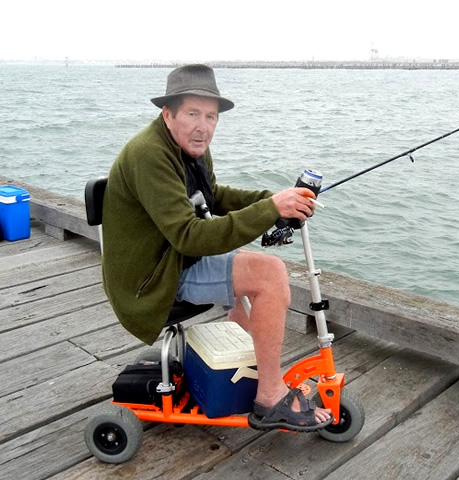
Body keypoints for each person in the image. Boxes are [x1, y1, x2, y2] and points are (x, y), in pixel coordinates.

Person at [102, 64, 332, 431]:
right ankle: (270, 397)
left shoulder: (188, 147)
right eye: (193, 113)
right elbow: (189, 236)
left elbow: (213, 196)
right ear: (168, 113)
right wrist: (271, 209)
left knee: (255, 264)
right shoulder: (149, 154)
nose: (203, 125)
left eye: (211, 116)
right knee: (271, 275)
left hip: (173, 258)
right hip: (151, 281)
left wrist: (271, 199)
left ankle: (234, 366)